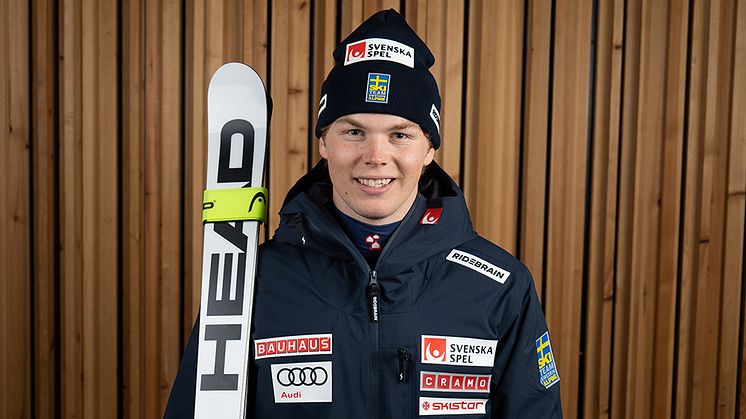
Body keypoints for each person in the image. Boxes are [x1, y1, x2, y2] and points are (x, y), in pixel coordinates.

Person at [165, 9, 562, 418]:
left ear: (429, 149)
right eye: (353, 132)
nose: (375, 157)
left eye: (400, 135)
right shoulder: (251, 281)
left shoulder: (499, 286)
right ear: (324, 142)